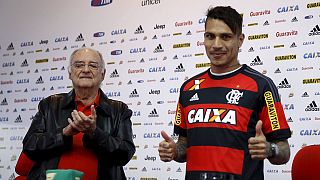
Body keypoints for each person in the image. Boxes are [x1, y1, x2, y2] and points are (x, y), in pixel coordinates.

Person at [158, 6, 291, 180]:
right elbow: (184, 146)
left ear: (240, 40)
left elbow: (284, 150)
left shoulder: (262, 86)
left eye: (226, 37)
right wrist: (175, 151)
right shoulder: (188, 88)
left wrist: (269, 149)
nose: (216, 45)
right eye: (210, 36)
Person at [22, 48, 135, 180]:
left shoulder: (119, 110)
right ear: (70, 73)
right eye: (79, 65)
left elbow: (125, 154)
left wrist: (94, 133)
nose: (86, 70)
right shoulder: (49, 105)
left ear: (103, 74)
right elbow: (30, 147)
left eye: (93, 65)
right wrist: (64, 134)